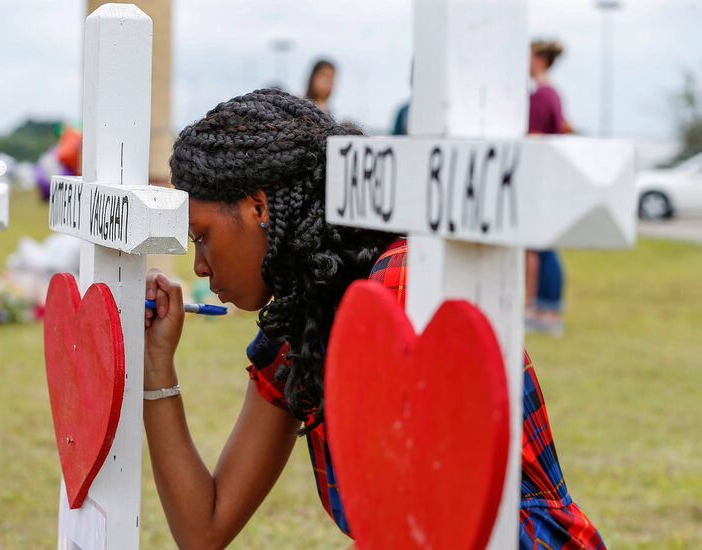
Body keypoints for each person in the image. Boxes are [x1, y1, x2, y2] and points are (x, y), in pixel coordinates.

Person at [143, 89, 605, 549]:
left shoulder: (402, 286)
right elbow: (203, 528)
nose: (200, 266)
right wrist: (158, 366)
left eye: (201, 237)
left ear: (258, 207)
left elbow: (432, 516)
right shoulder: (301, 320)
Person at [527, 39, 569, 334]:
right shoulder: (553, 93)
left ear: (540, 60)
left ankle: (540, 310)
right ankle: (546, 309)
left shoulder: (541, 95)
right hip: (549, 178)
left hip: (537, 177)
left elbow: (534, 137)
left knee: (537, 247)